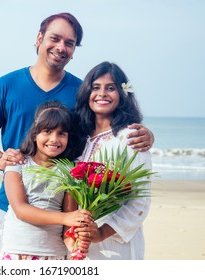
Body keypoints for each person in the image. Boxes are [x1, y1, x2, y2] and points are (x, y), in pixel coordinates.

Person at [0, 12, 154, 260]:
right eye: (55, 38)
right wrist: (0, 160)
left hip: (62, 209)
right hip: (11, 204)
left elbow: (102, 131)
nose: (61, 47)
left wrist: (144, 134)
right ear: (39, 38)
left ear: (73, 51)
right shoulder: (5, 85)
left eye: (69, 43)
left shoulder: (82, 92)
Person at [75, 61, 152, 259]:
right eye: (96, 88)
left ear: (123, 94)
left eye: (111, 88)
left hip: (115, 245)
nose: (102, 94)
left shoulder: (131, 137)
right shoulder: (78, 138)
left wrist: (101, 233)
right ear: (87, 93)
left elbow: (139, 201)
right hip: (77, 241)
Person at [0, 100, 93, 260]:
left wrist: (75, 245)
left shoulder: (71, 170)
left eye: (61, 133)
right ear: (35, 134)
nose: (54, 139)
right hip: (17, 252)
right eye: (47, 131)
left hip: (54, 255)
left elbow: (68, 224)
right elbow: (21, 210)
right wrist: (66, 218)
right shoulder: (18, 164)